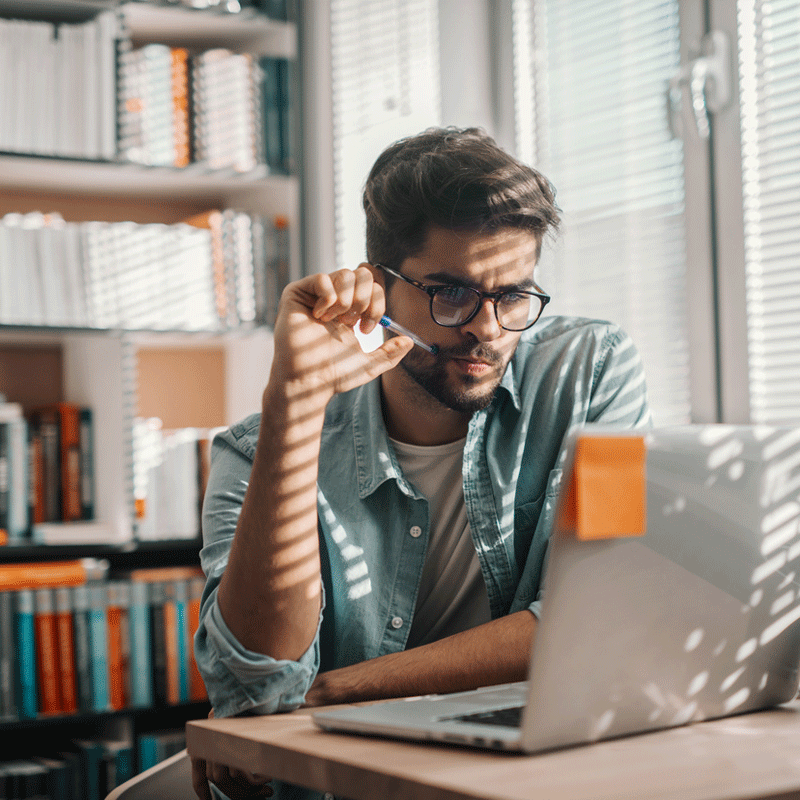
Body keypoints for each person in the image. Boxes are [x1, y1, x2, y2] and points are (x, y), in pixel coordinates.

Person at [191, 127, 651, 800]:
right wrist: (294, 403)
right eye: (451, 294)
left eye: (514, 294)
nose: (488, 330)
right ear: (378, 290)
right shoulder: (253, 450)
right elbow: (257, 688)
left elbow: (593, 622)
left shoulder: (590, 372)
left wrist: (336, 689)